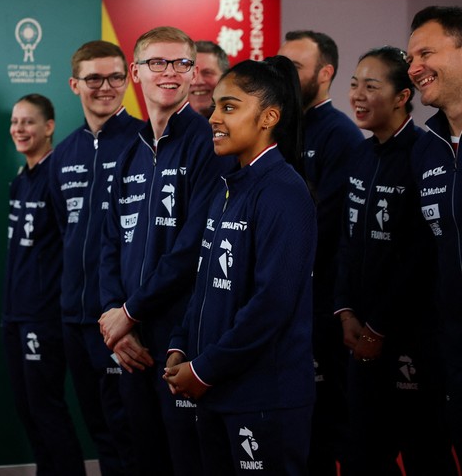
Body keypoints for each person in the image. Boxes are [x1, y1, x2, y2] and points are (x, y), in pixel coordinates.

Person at [165, 55, 317, 475]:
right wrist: (181, 344)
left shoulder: (284, 193)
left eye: (229, 107)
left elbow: (272, 304)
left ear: (268, 117)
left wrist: (203, 369)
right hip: (217, 393)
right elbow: (205, 284)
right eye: (214, 106)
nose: (214, 117)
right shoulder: (228, 187)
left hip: (264, 398)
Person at [98, 26, 230, 475]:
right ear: (136, 72)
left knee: (187, 459)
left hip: (183, 339)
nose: (169, 73)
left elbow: (193, 247)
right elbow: (110, 241)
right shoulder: (129, 151)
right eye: (157, 63)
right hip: (131, 341)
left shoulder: (207, 143)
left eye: (181, 63)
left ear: (195, 74)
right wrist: (115, 315)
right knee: (144, 457)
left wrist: (129, 312)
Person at [335, 46, 455, 475]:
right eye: (354, 85)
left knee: (425, 449)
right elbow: (348, 242)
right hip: (358, 334)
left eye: (372, 86)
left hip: (411, 337)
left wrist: (379, 326)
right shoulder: (360, 155)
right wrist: (346, 311)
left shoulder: (424, 155)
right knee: (363, 451)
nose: (358, 96)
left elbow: (420, 259)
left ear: (403, 96)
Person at [47, 41, 143, 475]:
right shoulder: (63, 153)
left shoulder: (145, 142)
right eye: (93, 78)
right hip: (75, 320)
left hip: (125, 320)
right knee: (100, 431)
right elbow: (62, 234)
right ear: (74, 84)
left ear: (128, 79)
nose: (105, 87)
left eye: (115, 77)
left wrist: (126, 315)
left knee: (133, 436)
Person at [278, 29, 363, 474]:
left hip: (323, 305)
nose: (284, 76)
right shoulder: (283, 126)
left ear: (325, 73)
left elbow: (326, 224)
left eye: (295, 68)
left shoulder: (340, 136)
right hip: (286, 301)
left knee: (324, 428)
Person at [2, 94, 86, 476]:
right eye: (15, 122)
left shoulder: (57, 175)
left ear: (49, 127)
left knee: (46, 407)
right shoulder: (21, 179)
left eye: (28, 122)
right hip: (15, 313)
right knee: (26, 408)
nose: (19, 129)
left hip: (44, 315)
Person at [407, 5, 462, 459]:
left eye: (426, 52)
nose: (414, 68)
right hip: (450, 352)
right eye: (410, 59)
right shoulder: (429, 148)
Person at [188, 40, 229, 118]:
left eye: (207, 73)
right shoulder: (166, 125)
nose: (197, 81)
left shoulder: (245, 126)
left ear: (226, 78)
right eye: (192, 73)